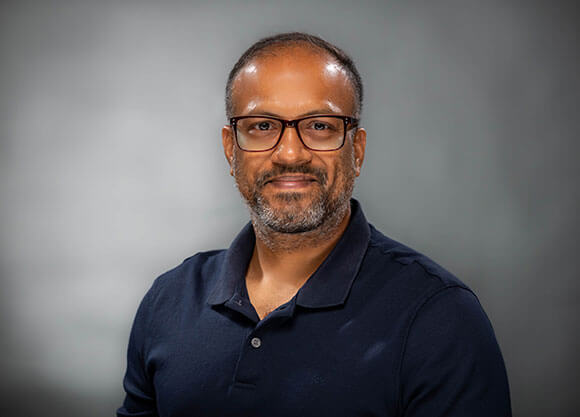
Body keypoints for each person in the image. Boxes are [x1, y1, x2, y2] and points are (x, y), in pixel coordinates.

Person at [117, 32, 511, 417]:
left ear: (356, 150)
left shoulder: (439, 318)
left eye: (320, 125)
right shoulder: (168, 301)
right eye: (263, 126)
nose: (290, 153)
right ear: (230, 148)